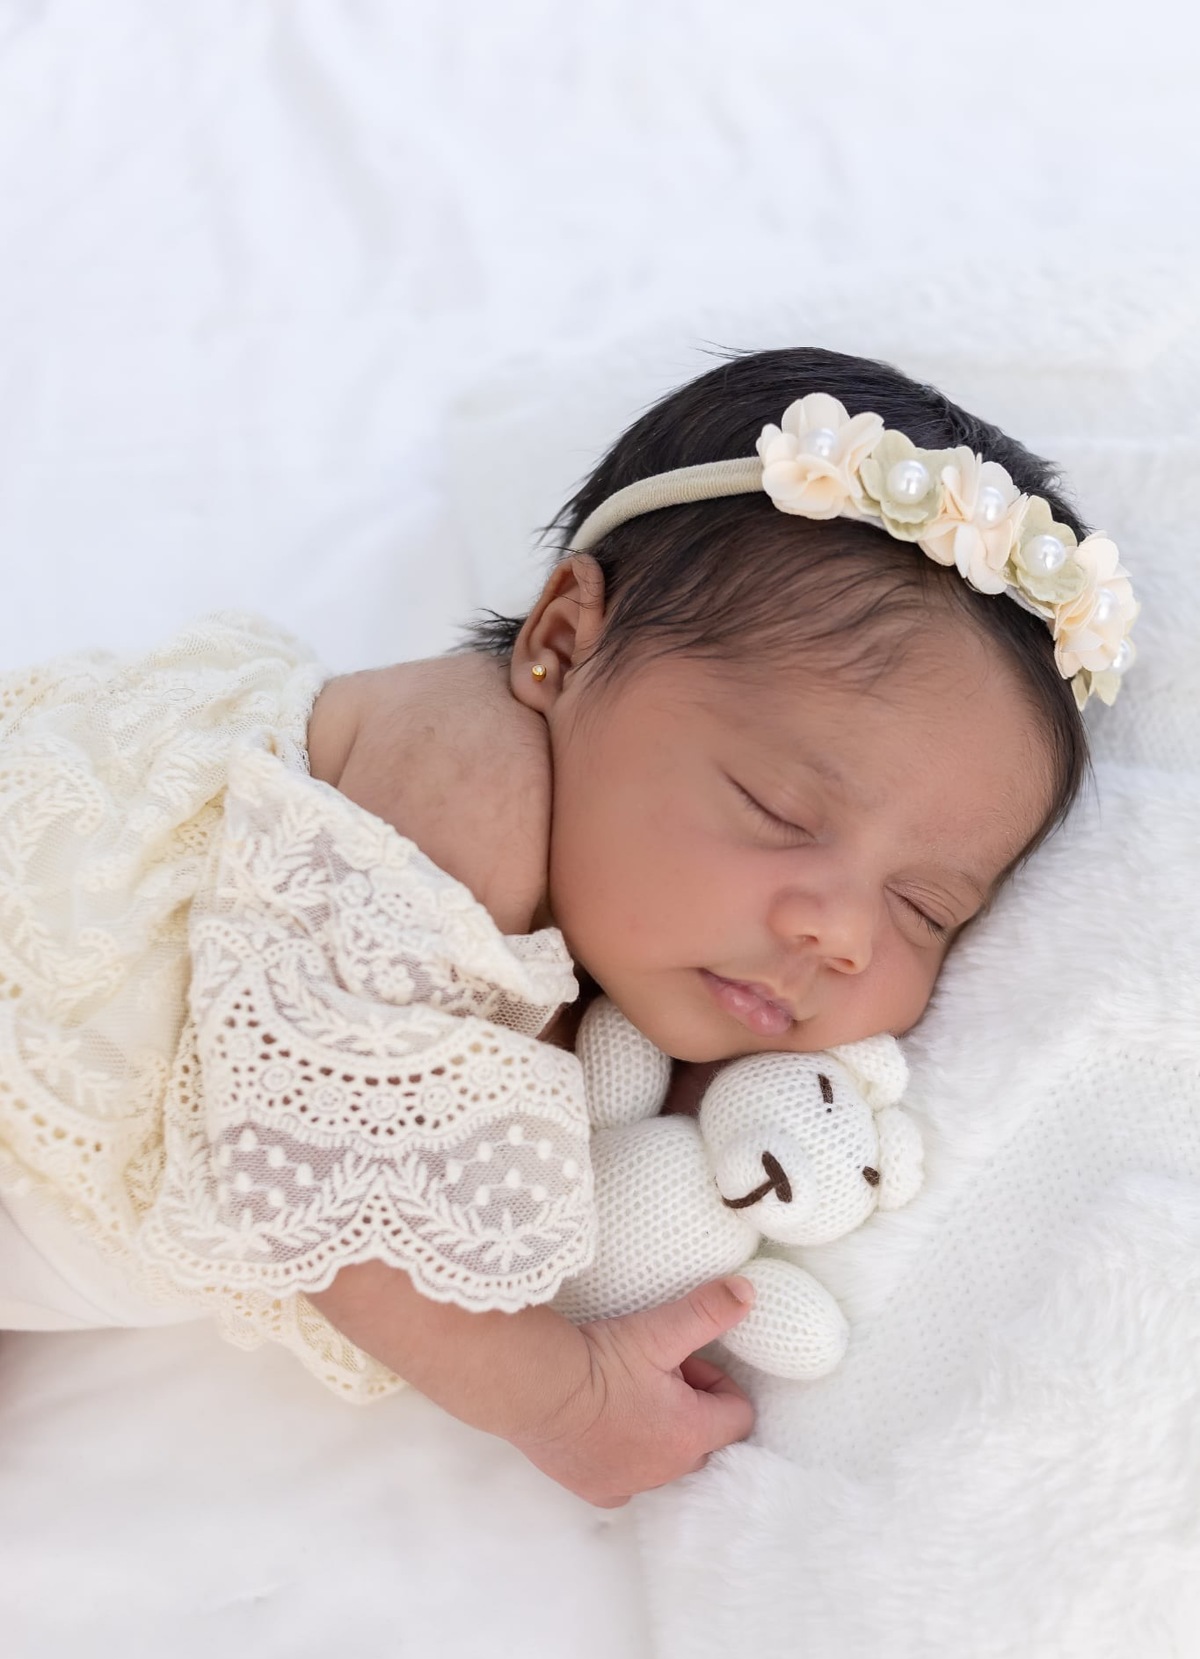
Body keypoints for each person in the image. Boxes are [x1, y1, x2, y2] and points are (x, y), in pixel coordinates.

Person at [0, 347, 1135, 1507]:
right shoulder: (462, 781)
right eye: (780, 810)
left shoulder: (626, 915)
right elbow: (343, 1169)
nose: (841, 934)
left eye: (925, 909)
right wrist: (559, 1397)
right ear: (560, 645)